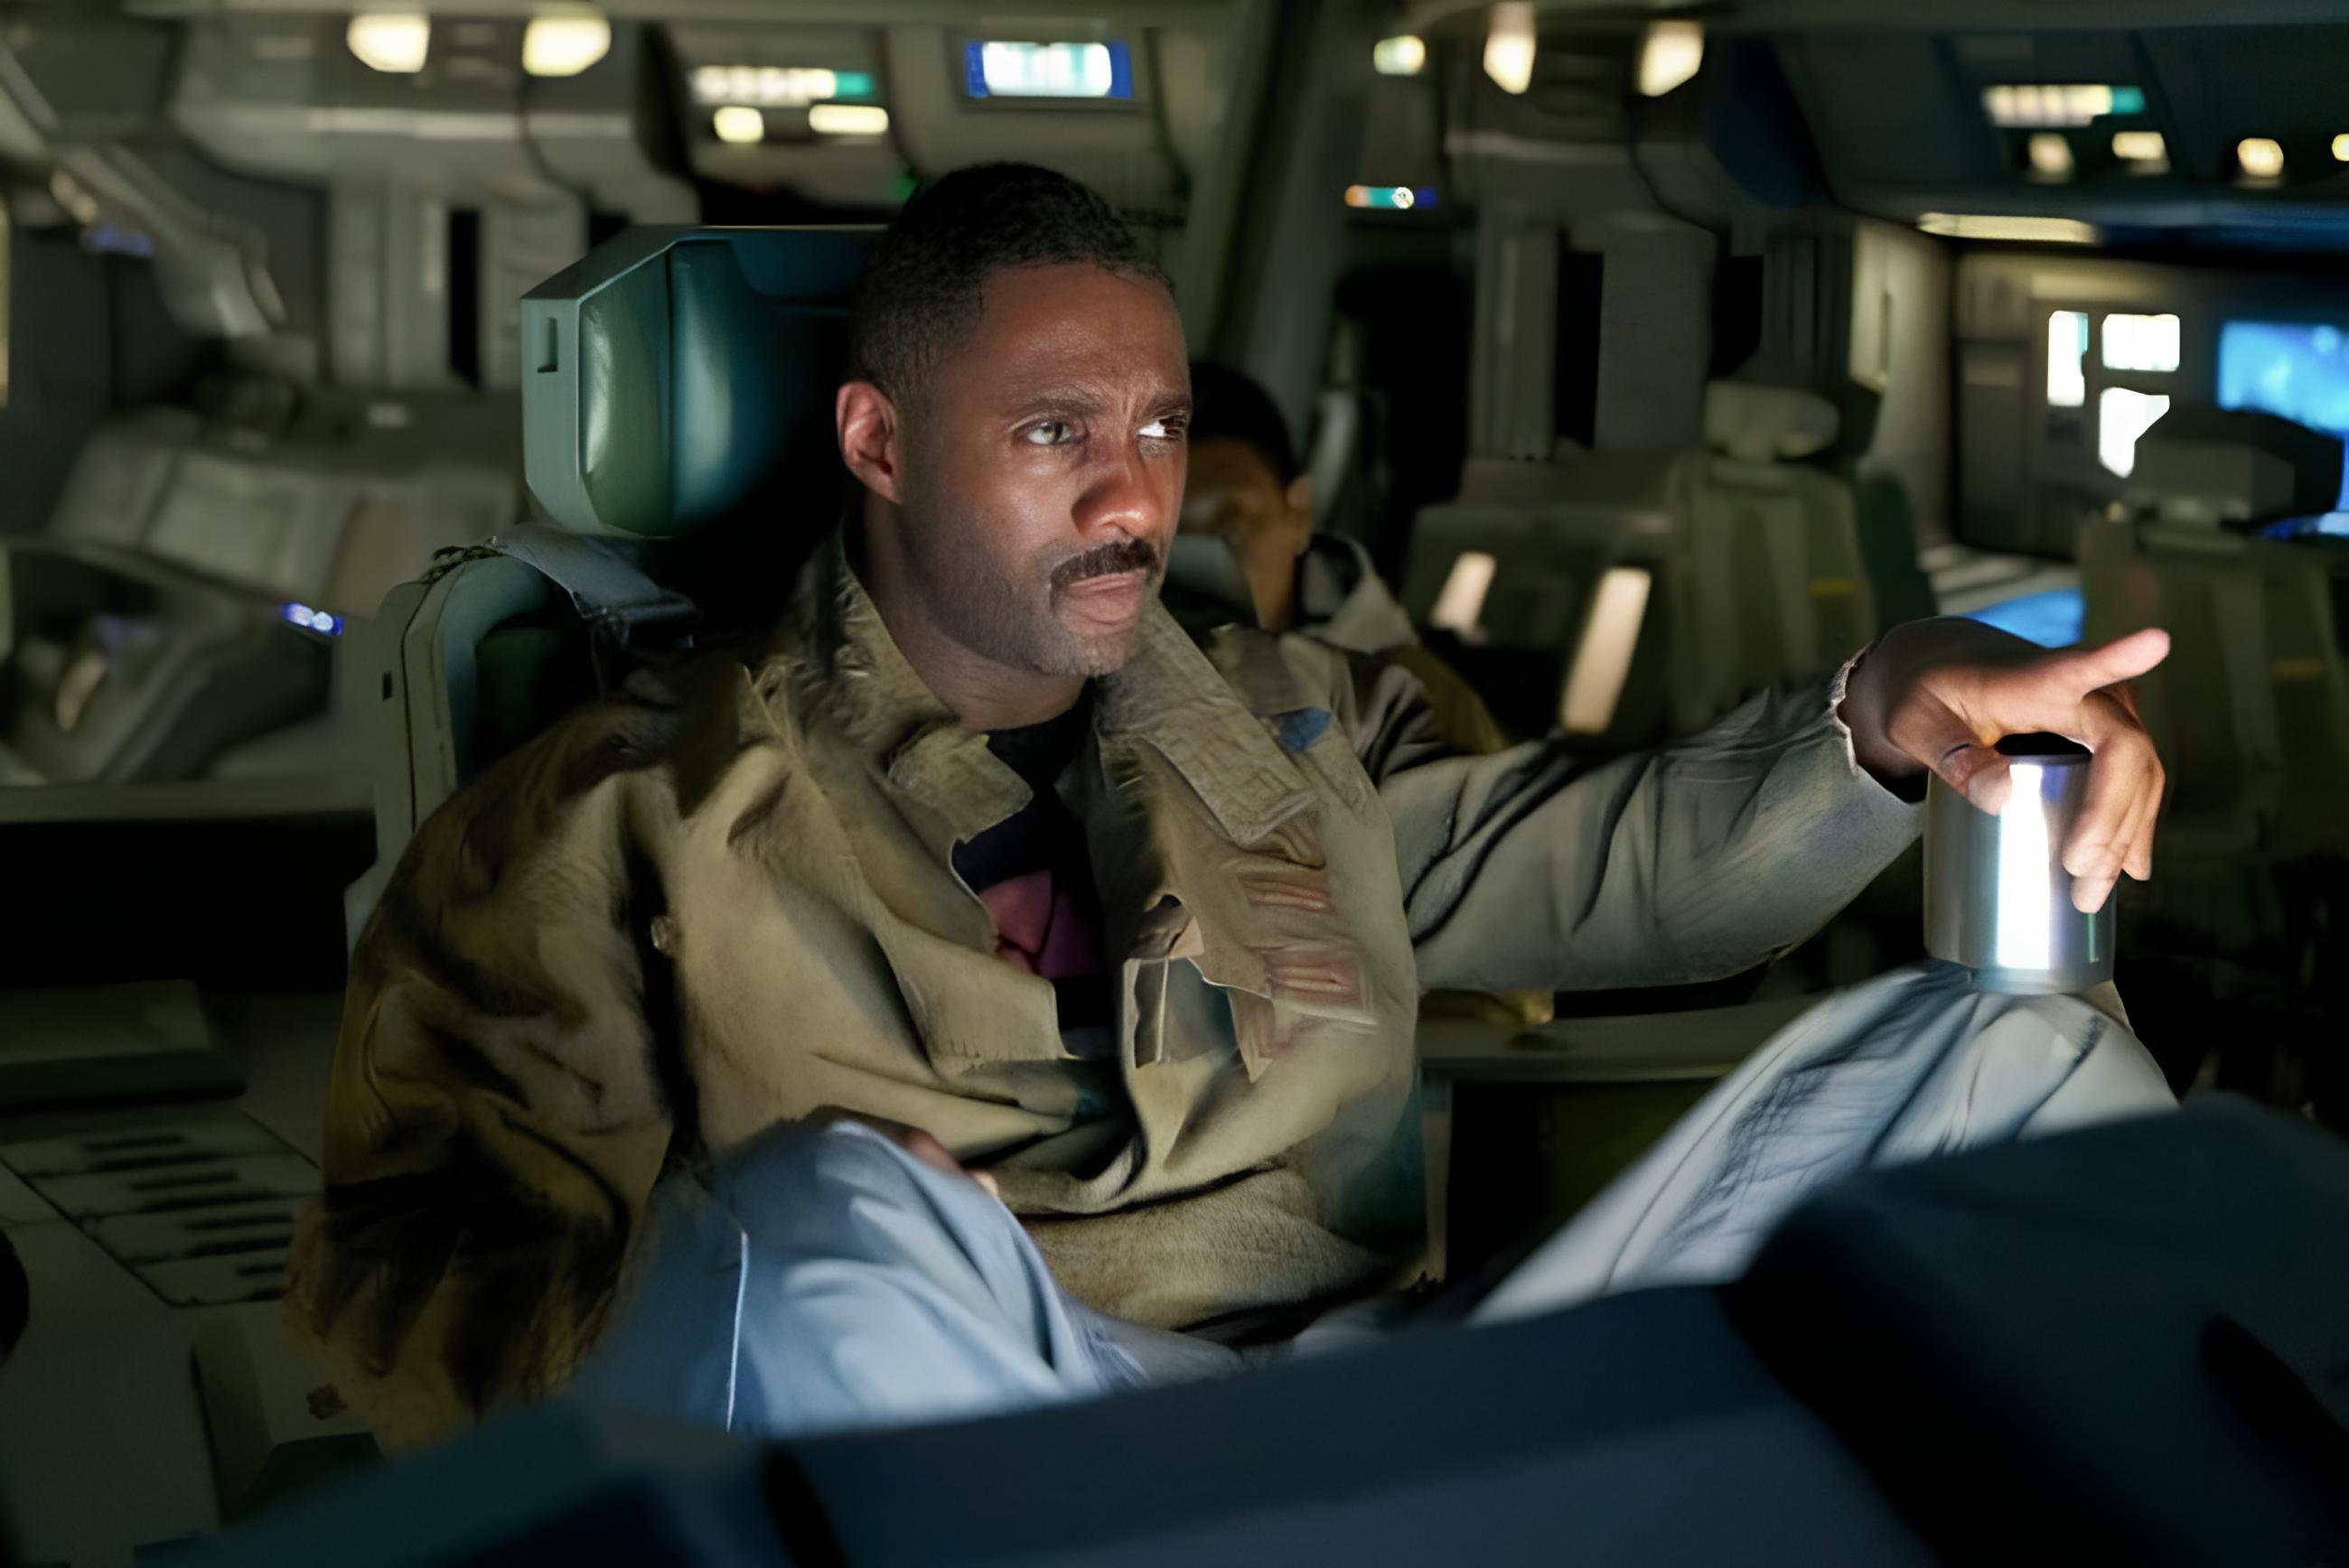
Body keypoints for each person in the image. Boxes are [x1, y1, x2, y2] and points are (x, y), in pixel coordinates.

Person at [287, 163, 2174, 1451]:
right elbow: (407, 1279)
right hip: (985, 1428)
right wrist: (763, 1254)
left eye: (1162, 427)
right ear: (879, 440)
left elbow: (1623, 869)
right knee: (817, 1220)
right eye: (1054, 433)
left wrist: (1888, 706)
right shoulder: (617, 815)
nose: (1134, 496)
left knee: (2023, 1056)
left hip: (1382, 1406)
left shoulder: (1285, 721)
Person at [1179, 359, 1506, 753]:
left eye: (1230, 530)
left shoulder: (1409, 706)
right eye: (1170, 541)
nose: (1195, 564)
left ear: (1298, 513)